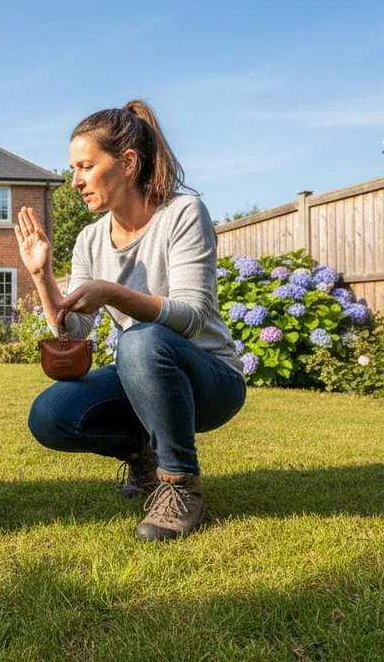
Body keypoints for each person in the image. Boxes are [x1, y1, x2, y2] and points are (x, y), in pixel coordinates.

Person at [15, 99, 246, 541]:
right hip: (140, 373)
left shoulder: (182, 214)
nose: (75, 180)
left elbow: (194, 316)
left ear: (127, 162)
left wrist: (115, 294)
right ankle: (144, 456)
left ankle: (180, 485)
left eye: (85, 166)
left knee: (139, 341)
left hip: (210, 378)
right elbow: (74, 330)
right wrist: (42, 275)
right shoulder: (89, 239)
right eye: (73, 168)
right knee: (51, 415)